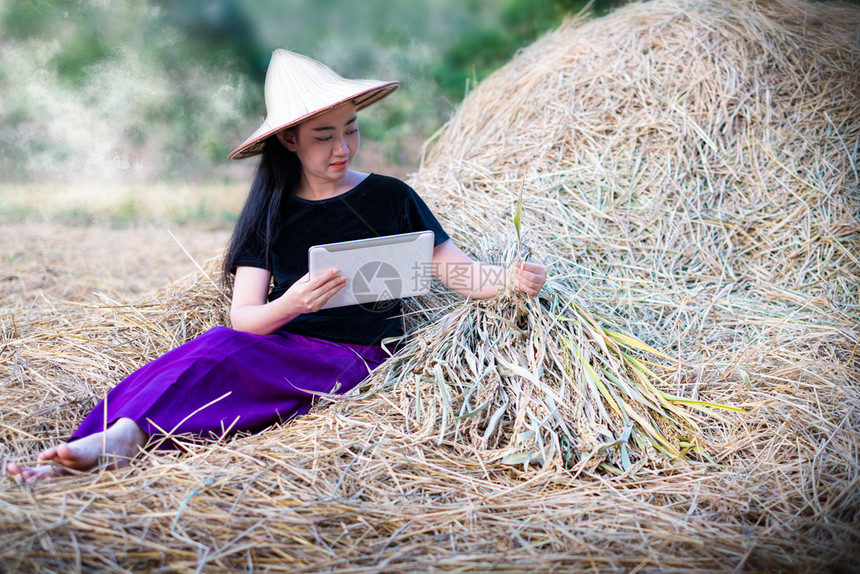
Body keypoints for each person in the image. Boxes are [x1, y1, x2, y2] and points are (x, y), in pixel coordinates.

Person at [7, 50, 547, 483]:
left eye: (351, 129)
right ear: (289, 139)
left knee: (222, 358)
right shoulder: (271, 211)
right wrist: (293, 303)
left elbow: (453, 269)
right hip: (284, 343)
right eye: (323, 135)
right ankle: (113, 435)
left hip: (357, 358)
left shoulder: (391, 197)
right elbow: (246, 318)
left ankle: (128, 437)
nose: (343, 148)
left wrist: (508, 282)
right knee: (209, 347)